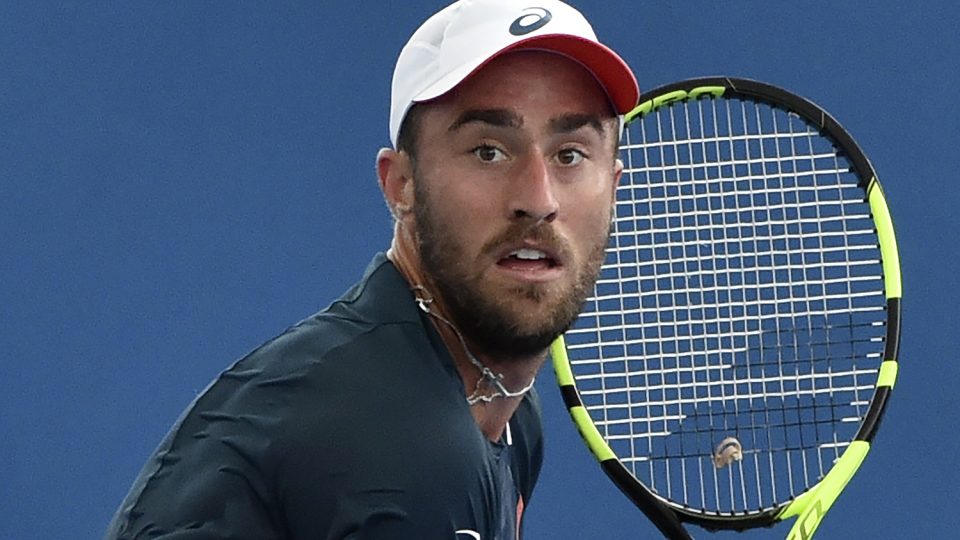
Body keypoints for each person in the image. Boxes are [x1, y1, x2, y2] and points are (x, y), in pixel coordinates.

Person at [105, 0, 638, 538]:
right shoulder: (399, 439)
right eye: (488, 151)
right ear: (400, 185)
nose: (538, 198)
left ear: (614, 188)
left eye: (570, 154)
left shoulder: (508, 418)